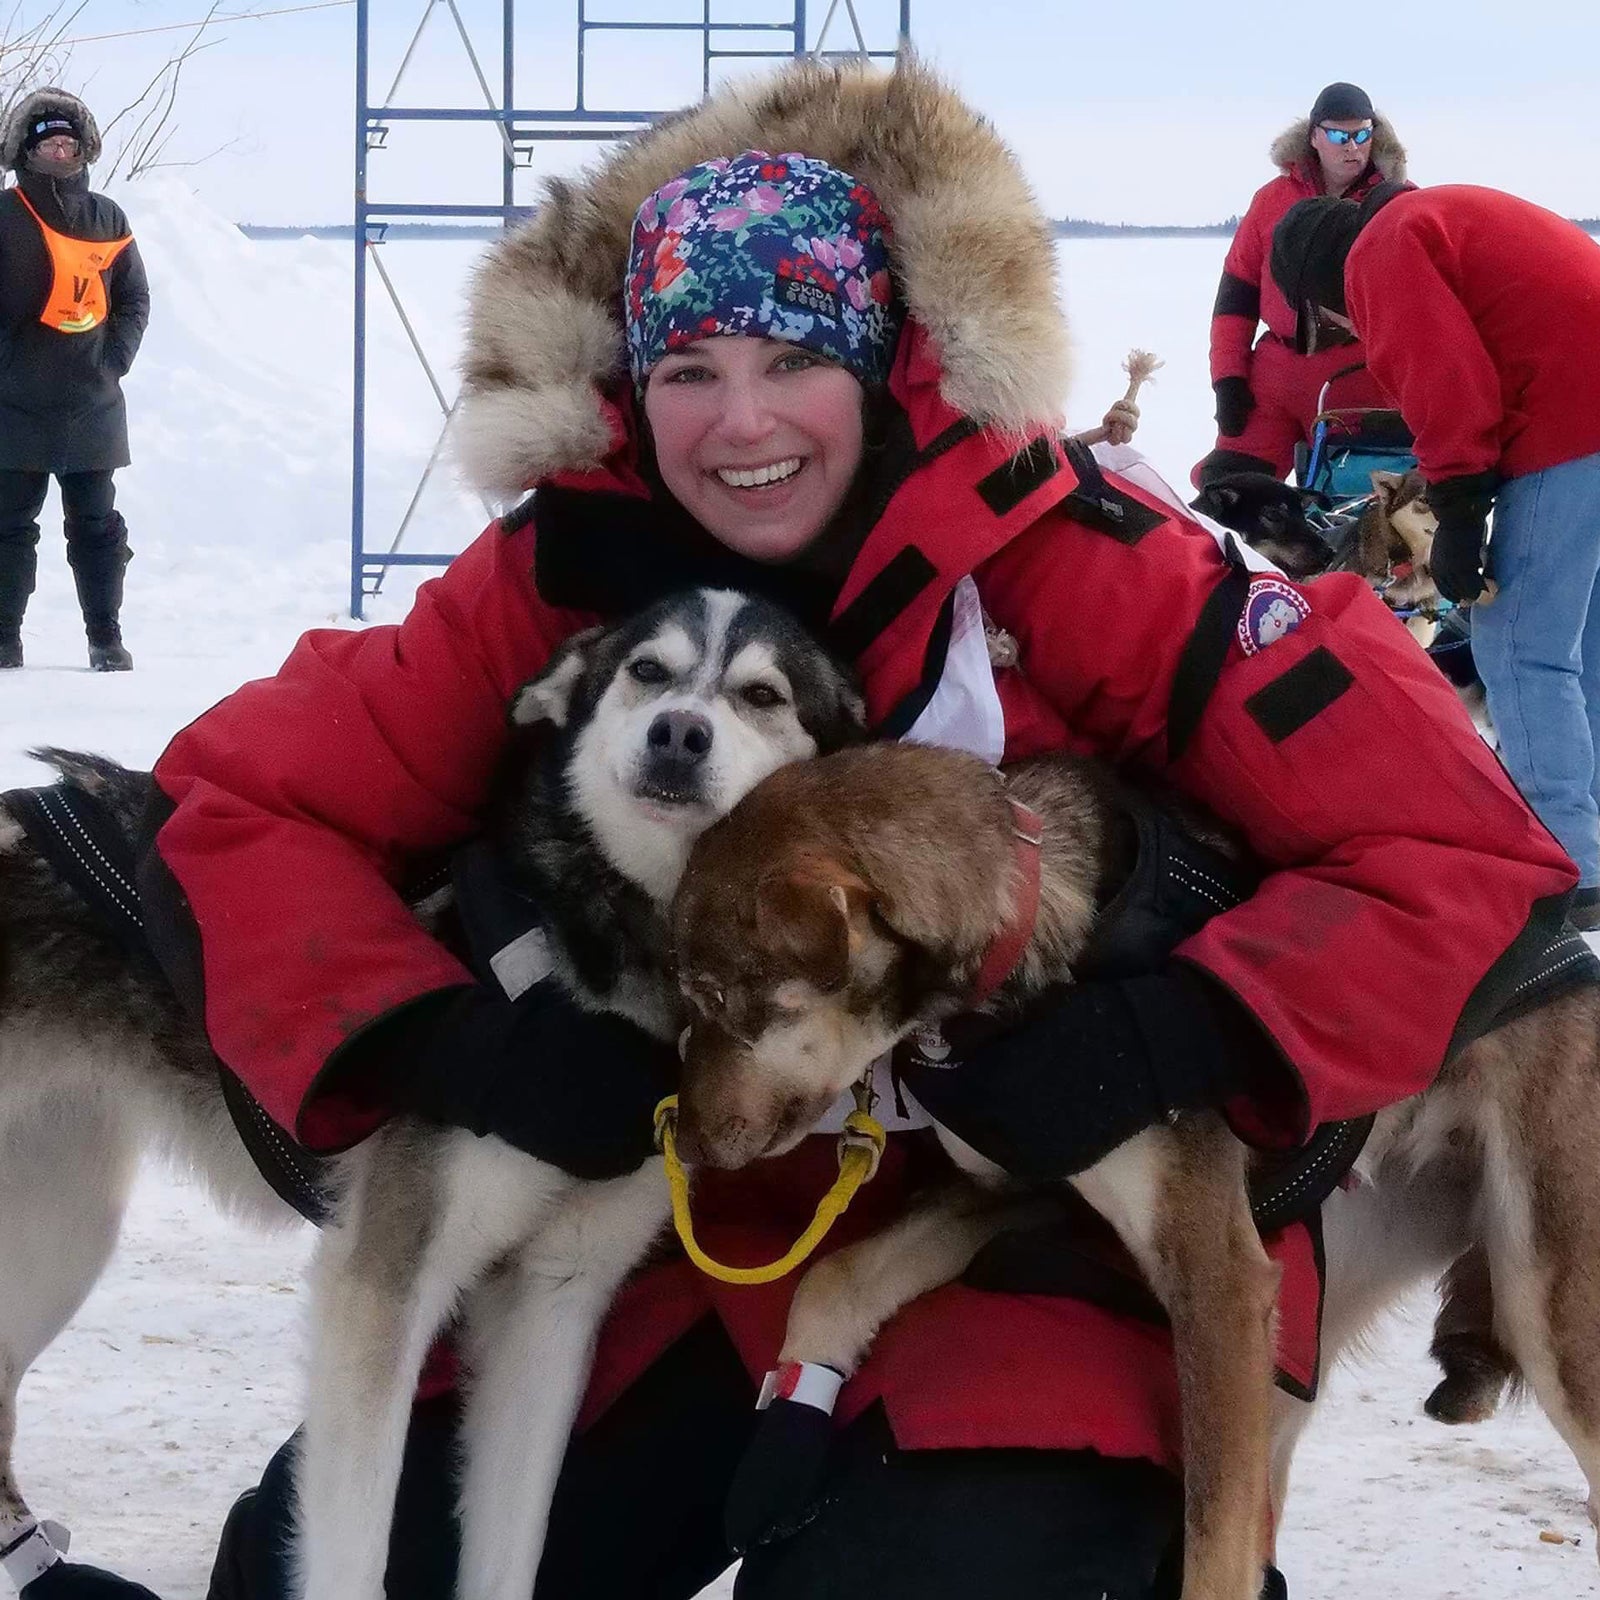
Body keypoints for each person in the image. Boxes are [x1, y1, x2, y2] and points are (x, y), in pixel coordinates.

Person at [27, 58, 1581, 1600]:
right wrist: (443, 1043)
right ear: (635, 383)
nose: (740, 420)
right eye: (690, 365)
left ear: (885, 352)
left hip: (1028, 1264)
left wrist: (1182, 1033)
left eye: (791, 357)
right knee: (318, 1575)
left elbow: (1462, 854)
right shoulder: (570, 573)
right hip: (684, 1252)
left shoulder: (1083, 561)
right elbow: (236, 807)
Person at [1270, 182, 1600, 931]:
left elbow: (1448, 381)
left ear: (1320, 287)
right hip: (1589, 402)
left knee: (1520, 646)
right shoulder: (1436, 217)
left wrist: (1457, 513)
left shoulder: (1378, 252)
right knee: (1582, 639)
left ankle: (1565, 865)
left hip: (1573, 418)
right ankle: (1589, 833)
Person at [0, 89, 149, 671]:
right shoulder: (5, 216)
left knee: (98, 530)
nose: (60, 151)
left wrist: (114, 360)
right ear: (25, 151)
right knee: (9, 528)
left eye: (68, 142)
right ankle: (4, 638)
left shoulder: (108, 216)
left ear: (83, 147)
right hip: (14, 405)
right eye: (47, 142)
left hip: (93, 404)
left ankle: (105, 638)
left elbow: (134, 298)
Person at [1193, 82, 1405, 490]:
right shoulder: (1271, 201)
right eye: (1340, 135)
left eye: (1362, 134)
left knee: (1357, 507)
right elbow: (1235, 298)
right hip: (1275, 379)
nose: (1353, 147)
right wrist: (1229, 379)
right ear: (1313, 137)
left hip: (1360, 381)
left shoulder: (1396, 205)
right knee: (1228, 492)